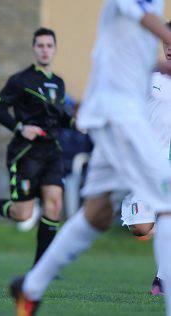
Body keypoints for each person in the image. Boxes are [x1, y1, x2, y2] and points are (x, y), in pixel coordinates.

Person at [11, 2, 171, 315]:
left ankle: (29, 289)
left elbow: (131, 51)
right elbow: (143, 18)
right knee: (167, 206)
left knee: (96, 214)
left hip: (118, 115)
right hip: (118, 113)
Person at [0, 28, 74, 265]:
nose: (45, 50)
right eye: (40, 45)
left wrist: (76, 123)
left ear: (55, 49)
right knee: (23, 213)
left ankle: (41, 267)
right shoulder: (20, 80)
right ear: (34, 48)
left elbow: (58, 117)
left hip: (51, 150)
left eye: (49, 46)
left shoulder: (59, 83)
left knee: (54, 203)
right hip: (25, 153)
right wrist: (20, 127)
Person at [120, 23, 171, 296]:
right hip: (144, 161)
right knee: (141, 228)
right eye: (166, 42)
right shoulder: (151, 76)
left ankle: (161, 282)